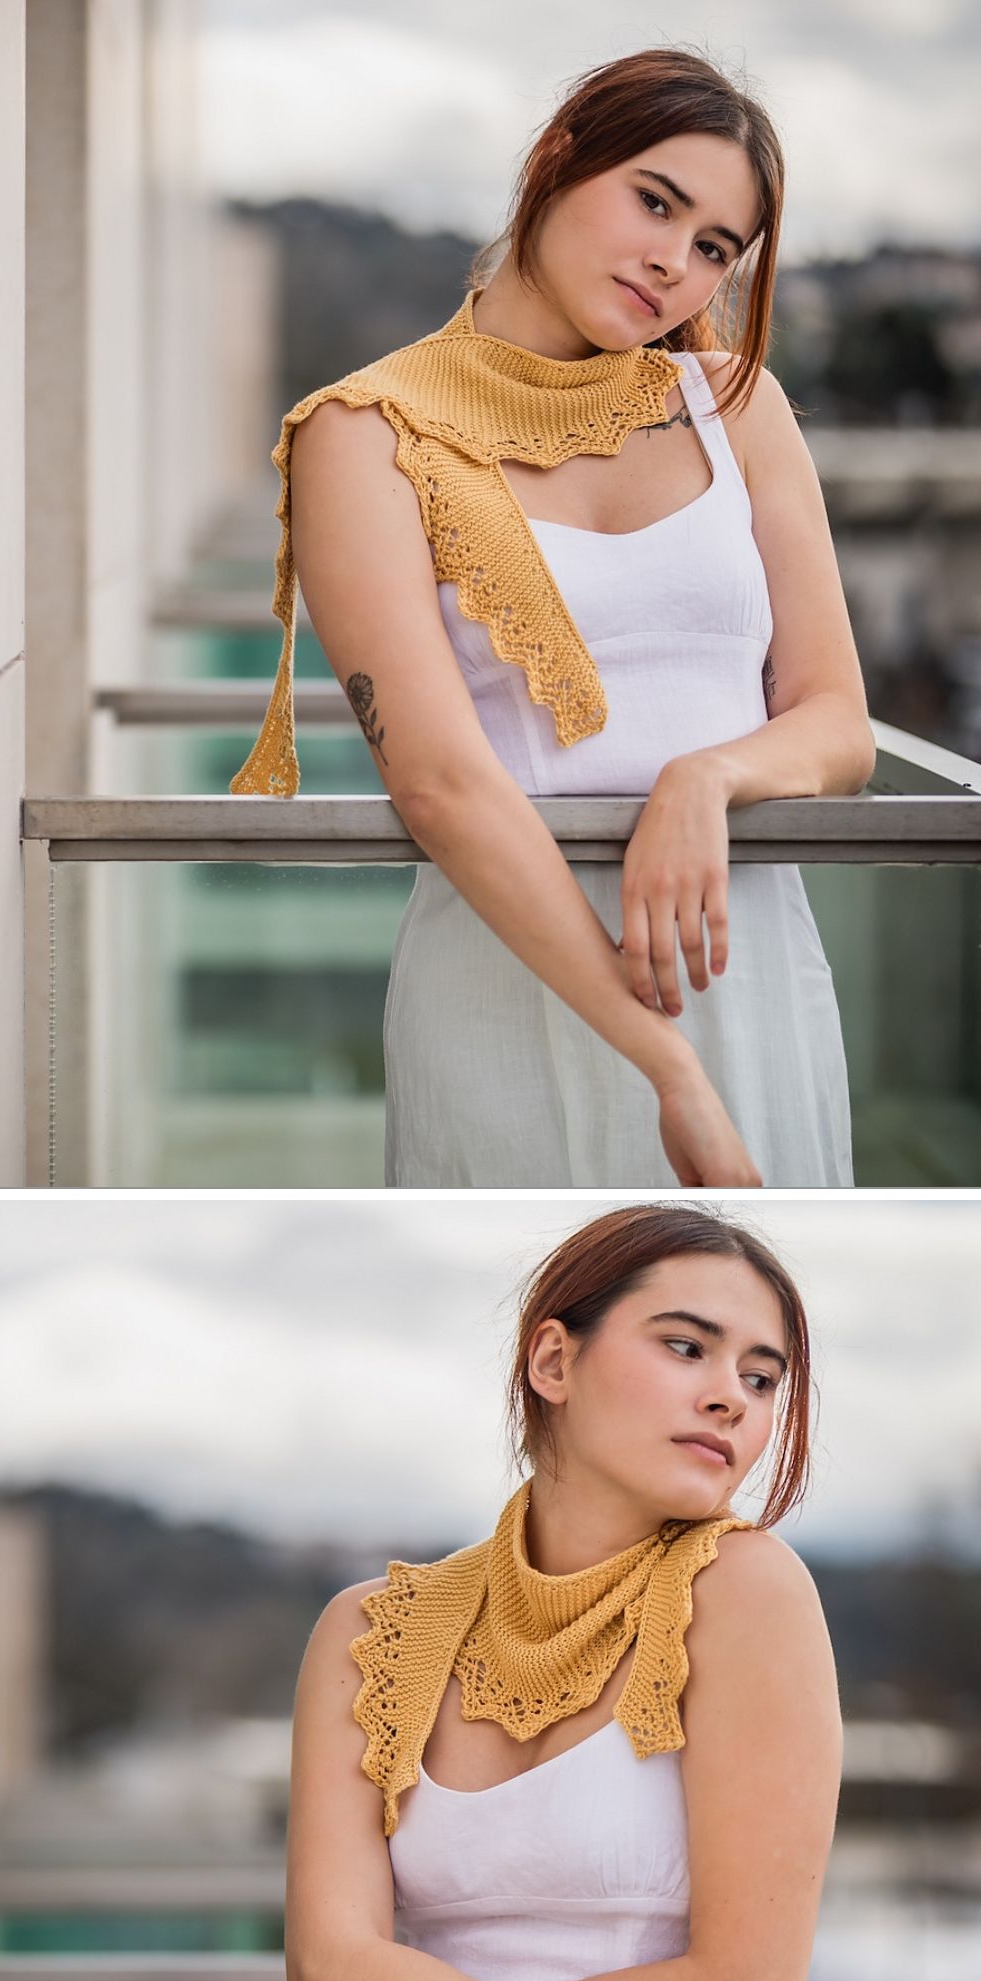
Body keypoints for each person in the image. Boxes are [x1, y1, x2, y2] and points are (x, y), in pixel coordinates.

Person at [232, 48, 873, 1189]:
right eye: (656, 201)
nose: (675, 263)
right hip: (510, 972)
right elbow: (440, 783)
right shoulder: (364, 433)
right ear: (557, 162)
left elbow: (838, 722)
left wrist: (705, 778)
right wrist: (670, 1071)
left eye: (716, 246)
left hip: (744, 950)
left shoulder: (734, 405)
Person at [284, 1202, 843, 1981]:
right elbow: (330, 1980)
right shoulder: (366, 1635)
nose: (731, 1398)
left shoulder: (750, 1596)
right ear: (553, 1361)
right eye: (686, 1347)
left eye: (761, 1374)